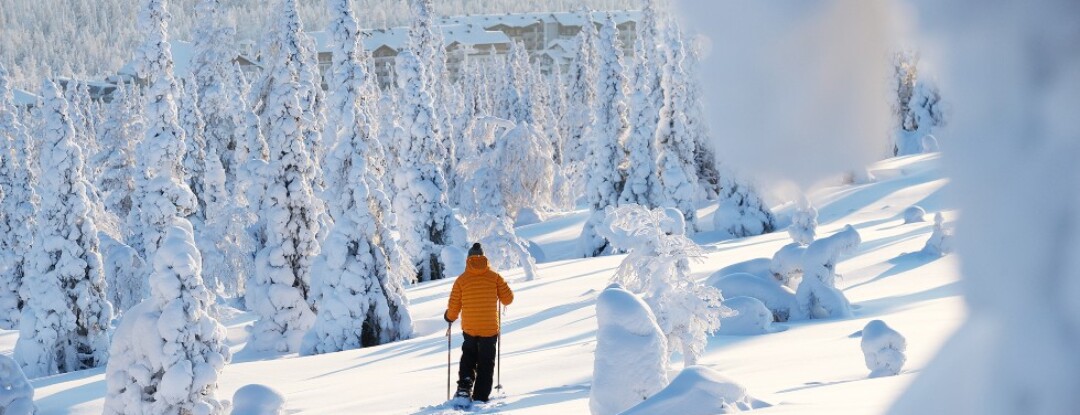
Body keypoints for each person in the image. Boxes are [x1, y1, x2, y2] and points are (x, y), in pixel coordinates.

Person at [444, 243, 514, 403]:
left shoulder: (461, 280)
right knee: (486, 361)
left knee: (468, 356)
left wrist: (449, 317)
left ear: (468, 259)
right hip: (489, 329)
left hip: (470, 327)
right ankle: (481, 396)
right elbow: (508, 299)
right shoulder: (495, 277)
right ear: (484, 258)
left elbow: (454, 307)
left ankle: (464, 388)